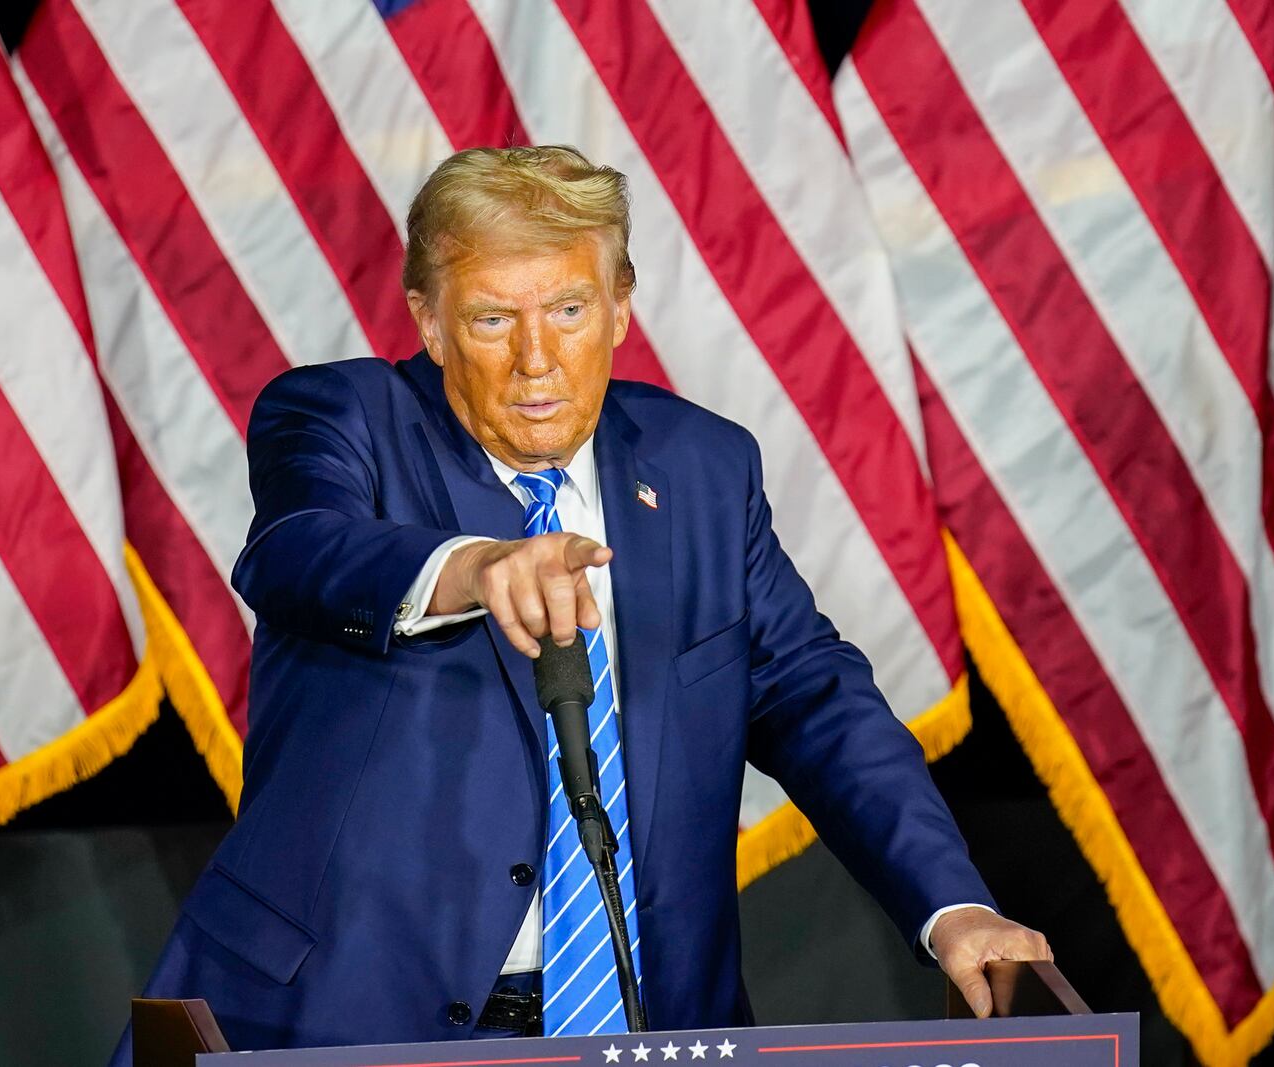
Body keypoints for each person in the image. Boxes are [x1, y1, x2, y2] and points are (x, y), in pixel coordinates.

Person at [112, 145, 1049, 1061]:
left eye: (567, 309)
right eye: (490, 320)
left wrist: (951, 906)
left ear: (620, 309)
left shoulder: (704, 468)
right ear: (428, 323)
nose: (536, 360)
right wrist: (475, 567)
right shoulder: (343, 417)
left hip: (642, 1026)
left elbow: (815, 700)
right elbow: (298, 549)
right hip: (343, 1016)